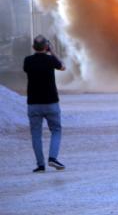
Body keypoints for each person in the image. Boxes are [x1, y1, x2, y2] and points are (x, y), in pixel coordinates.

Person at [23, 35, 67, 173]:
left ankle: (40, 165)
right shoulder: (50, 60)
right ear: (46, 47)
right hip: (51, 102)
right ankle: (52, 157)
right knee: (56, 130)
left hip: (34, 104)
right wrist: (52, 52)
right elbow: (63, 67)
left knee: (36, 134)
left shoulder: (28, 61)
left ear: (33, 47)